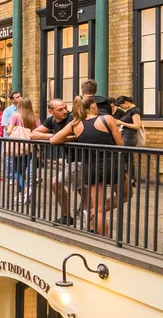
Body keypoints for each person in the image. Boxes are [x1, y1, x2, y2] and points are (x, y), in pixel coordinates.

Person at [50, 95, 123, 236]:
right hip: (111, 164)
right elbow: (120, 144)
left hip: (91, 167)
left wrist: (71, 137)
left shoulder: (75, 124)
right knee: (125, 195)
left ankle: (103, 240)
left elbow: (53, 140)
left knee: (99, 209)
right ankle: (94, 214)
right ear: (93, 106)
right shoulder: (107, 119)